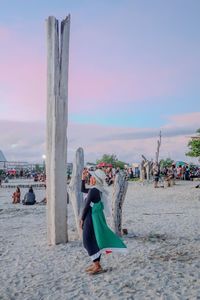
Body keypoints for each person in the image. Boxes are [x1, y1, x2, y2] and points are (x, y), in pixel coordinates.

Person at [80, 168, 127, 275]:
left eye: (92, 177)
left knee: (87, 240)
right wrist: (83, 178)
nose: (90, 178)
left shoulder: (94, 190)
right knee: (94, 239)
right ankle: (96, 264)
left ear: (95, 179)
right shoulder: (97, 189)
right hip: (94, 217)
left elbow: (87, 206)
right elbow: (82, 189)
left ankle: (97, 265)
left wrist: (82, 219)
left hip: (91, 217)